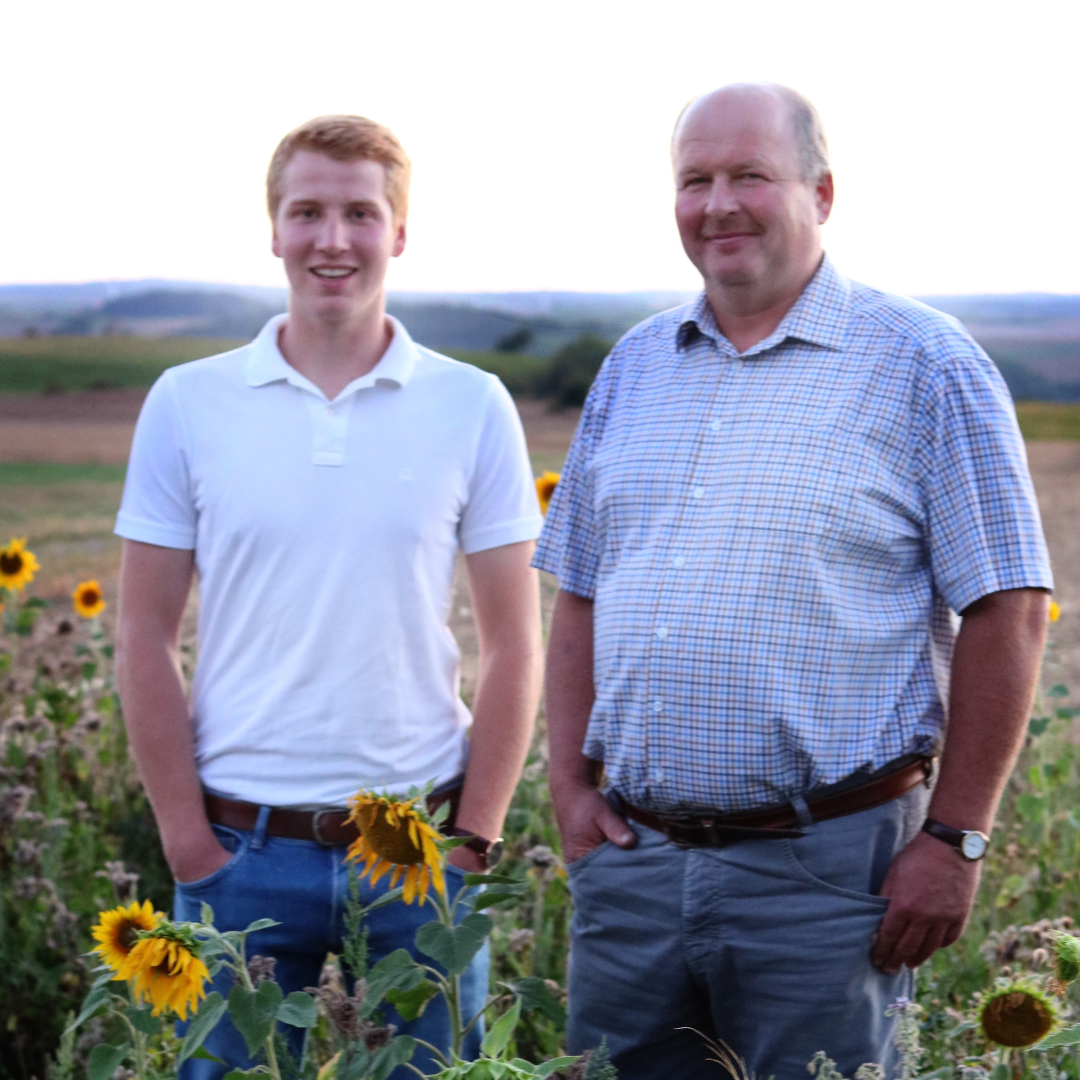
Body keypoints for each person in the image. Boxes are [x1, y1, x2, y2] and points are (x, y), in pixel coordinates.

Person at [533, 83, 1053, 1080]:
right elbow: (581, 591)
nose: (718, 203)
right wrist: (567, 787)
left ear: (821, 192)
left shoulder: (925, 365)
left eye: (749, 176)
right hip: (634, 870)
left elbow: (1010, 606)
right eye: (695, 180)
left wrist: (958, 839)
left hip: (828, 875)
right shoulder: (635, 367)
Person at [114, 115, 544, 1077]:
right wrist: (188, 845)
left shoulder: (472, 405)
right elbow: (142, 635)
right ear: (273, 229)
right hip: (238, 850)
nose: (333, 239)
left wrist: (473, 840)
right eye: (307, 211)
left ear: (399, 232)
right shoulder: (188, 401)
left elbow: (518, 643)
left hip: (418, 858)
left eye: (361, 213)